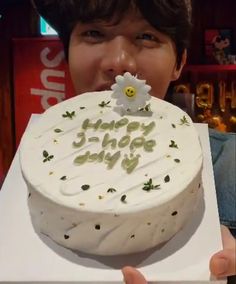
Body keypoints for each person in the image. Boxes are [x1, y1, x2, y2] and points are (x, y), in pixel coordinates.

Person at [32, 0, 236, 282]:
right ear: (66, 53)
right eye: (94, 33)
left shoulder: (230, 164)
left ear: (180, 62)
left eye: (146, 36)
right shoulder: (36, 161)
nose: (119, 63)